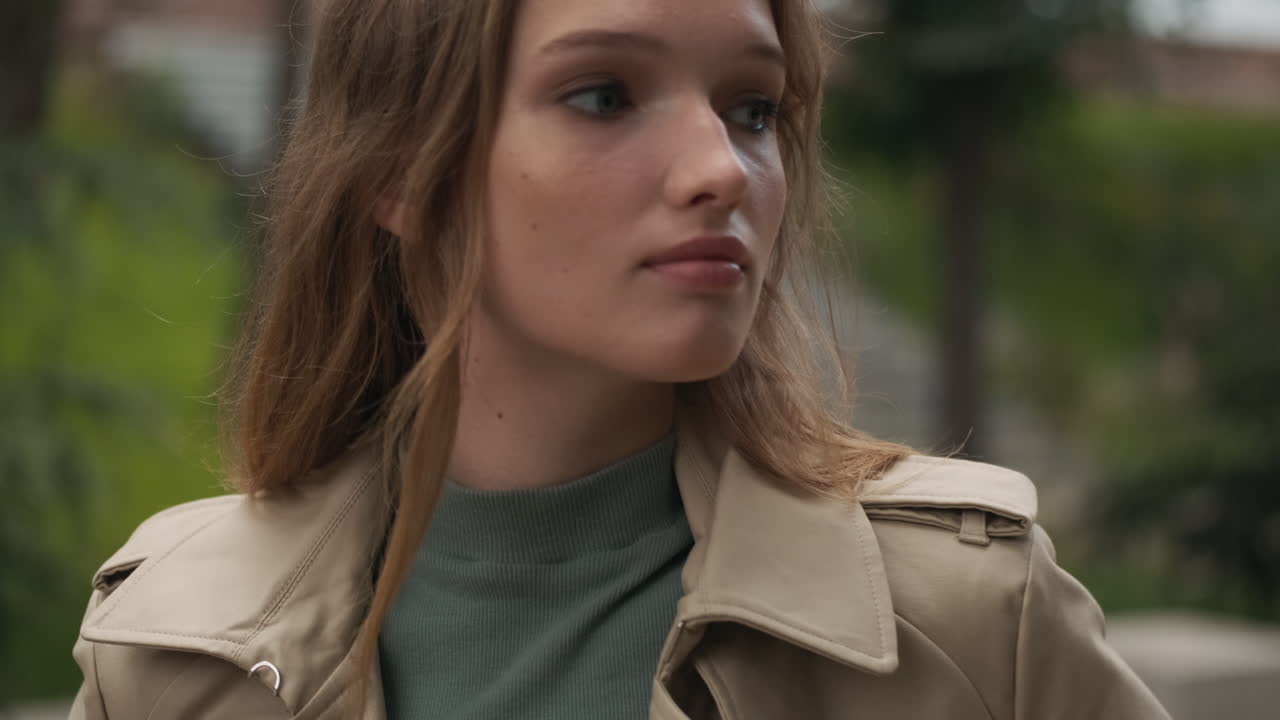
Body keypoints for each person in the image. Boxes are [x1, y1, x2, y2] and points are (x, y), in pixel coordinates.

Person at [68, 0, 1172, 717]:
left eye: (751, 107)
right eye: (602, 94)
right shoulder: (171, 647)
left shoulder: (967, 618)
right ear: (401, 173)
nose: (724, 170)